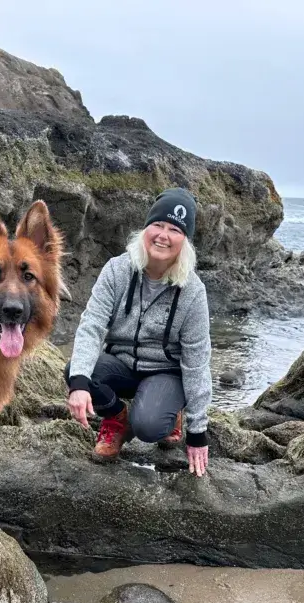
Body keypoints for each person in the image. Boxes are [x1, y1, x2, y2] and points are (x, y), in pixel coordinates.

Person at [64, 188, 212, 476]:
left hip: (166, 372)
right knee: (75, 371)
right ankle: (117, 419)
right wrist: (80, 384)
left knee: (149, 426)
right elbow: (92, 325)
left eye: (174, 229)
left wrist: (198, 432)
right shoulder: (117, 270)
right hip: (122, 364)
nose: (163, 235)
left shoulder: (193, 292)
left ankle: (171, 412)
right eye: (157, 225)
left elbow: (197, 361)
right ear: (145, 229)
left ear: (185, 241)